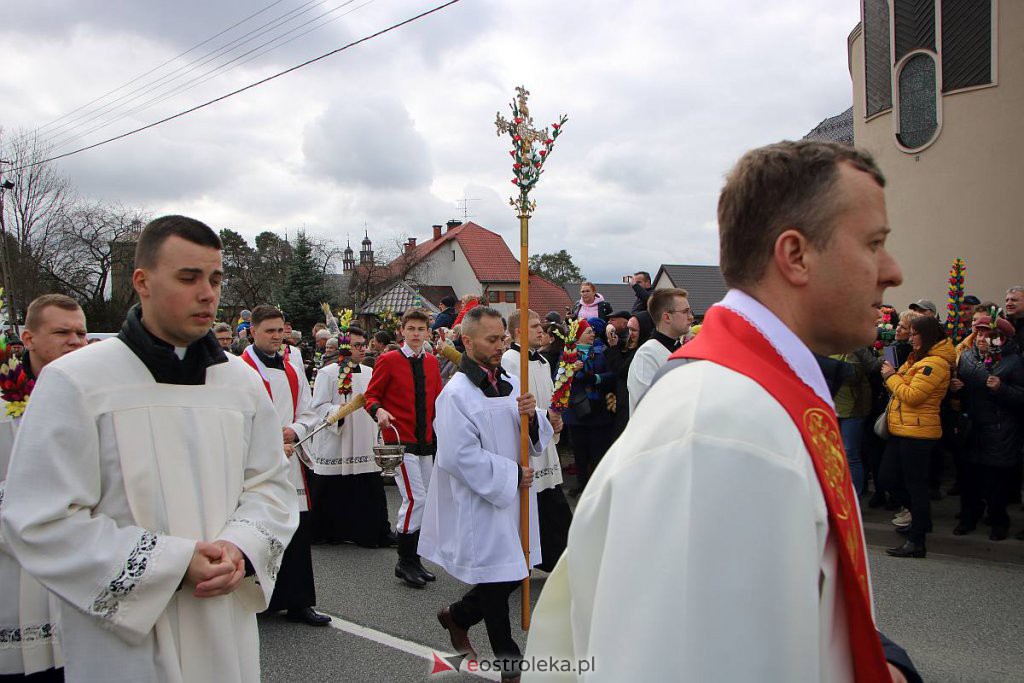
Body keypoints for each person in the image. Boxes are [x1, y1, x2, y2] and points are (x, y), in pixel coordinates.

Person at [524, 141, 920, 682]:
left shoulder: (755, 398)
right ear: (796, 255)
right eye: (874, 243)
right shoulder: (720, 428)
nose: (893, 270)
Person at [1, 215, 298, 682]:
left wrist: (240, 547)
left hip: (223, 625)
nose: (208, 293)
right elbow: (39, 519)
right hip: (124, 642)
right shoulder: (77, 382)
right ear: (141, 281)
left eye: (216, 279)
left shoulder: (241, 384)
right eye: (189, 277)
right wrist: (173, 564)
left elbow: (270, 488)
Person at [421, 306, 553, 681]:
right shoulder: (456, 395)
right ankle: (511, 665)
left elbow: (532, 434)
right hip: (483, 497)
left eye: (503, 338)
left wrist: (532, 415)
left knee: (514, 570)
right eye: (492, 339)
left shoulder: (510, 381)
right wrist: (511, 475)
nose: (500, 346)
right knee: (499, 578)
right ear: (467, 341)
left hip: (515, 493)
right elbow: (458, 456)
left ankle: (458, 616)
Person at [0, 294, 88, 681]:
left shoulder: (97, 397)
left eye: (81, 333)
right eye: (62, 332)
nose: (75, 340)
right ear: (28, 338)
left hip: (85, 564)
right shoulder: (6, 404)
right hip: (15, 566)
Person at [240, 306, 330, 626]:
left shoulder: (293, 370)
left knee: (296, 530)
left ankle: (299, 602)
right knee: (261, 532)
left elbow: (309, 411)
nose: (277, 337)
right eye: (269, 331)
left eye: (281, 331)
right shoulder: (240, 370)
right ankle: (257, 600)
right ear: (253, 331)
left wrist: (295, 431)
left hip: (291, 463)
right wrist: (270, 443)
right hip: (256, 468)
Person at [363, 309, 443, 588]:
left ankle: (414, 558)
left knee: (426, 500)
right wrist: (379, 410)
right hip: (399, 441)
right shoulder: (388, 360)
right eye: (411, 329)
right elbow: (370, 396)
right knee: (415, 498)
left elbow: (437, 401)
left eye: (421, 329)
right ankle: (403, 561)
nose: (416, 334)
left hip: (426, 441)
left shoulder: (432, 362)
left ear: (428, 332)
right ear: (402, 332)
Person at [308, 327, 393, 547]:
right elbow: (317, 407)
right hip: (339, 436)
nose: (363, 349)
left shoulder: (369, 372)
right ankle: (327, 532)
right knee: (331, 487)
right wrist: (339, 411)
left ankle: (371, 531)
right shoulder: (327, 373)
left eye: (364, 344)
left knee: (367, 486)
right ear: (346, 347)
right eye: (357, 345)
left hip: (364, 436)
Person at [502, 309, 571, 572]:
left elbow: (549, 399)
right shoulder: (510, 361)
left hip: (546, 442)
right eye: (534, 326)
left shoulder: (541, 361)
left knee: (551, 501)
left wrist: (556, 421)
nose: (541, 330)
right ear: (518, 332)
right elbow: (512, 404)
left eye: (540, 325)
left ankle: (558, 558)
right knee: (536, 505)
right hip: (527, 442)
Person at [879, 315, 954, 558]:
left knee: (915, 486)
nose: (911, 338)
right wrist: (893, 377)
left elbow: (912, 395)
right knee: (887, 478)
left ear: (927, 335)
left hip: (918, 433)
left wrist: (891, 376)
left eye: (914, 334)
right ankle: (921, 520)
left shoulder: (935, 363)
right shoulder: (916, 359)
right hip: (901, 428)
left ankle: (917, 540)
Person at [950, 315, 1024, 540]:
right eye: (979, 333)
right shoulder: (967, 357)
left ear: (1001, 338)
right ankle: (969, 518)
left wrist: (1001, 388)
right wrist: (956, 388)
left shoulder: (1013, 361)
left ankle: (998, 520)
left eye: (988, 335)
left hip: (1000, 429)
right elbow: (964, 393)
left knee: (996, 482)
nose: (981, 339)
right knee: (970, 478)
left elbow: (1021, 397)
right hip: (973, 427)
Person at [562, 319, 615, 497]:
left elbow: (611, 375)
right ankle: (581, 483)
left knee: (597, 450)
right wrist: (569, 370)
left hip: (597, 409)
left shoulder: (601, 353)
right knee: (579, 451)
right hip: (576, 410)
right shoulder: (568, 355)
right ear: (578, 336)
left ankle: (597, 486)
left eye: (593, 331)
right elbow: (558, 379)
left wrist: (595, 378)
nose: (592, 334)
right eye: (588, 332)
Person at [626, 288, 693, 414]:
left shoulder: (680, 349)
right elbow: (647, 405)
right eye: (685, 312)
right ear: (667, 317)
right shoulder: (647, 355)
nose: (691, 317)